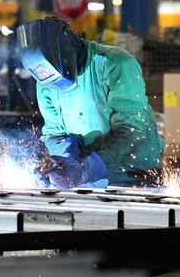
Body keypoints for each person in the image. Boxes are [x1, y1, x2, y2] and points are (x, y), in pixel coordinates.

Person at [16, 14, 164, 189]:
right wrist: (65, 159)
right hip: (87, 185)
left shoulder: (115, 63)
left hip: (133, 178)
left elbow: (133, 128)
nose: (55, 85)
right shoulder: (45, 82)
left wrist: (92, 165)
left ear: (67, 46)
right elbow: (53, 132)